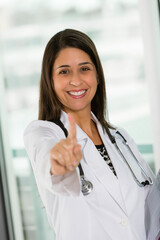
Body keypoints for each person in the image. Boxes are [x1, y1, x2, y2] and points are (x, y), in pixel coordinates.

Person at [23, 29, 155, 240]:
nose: (76, 81)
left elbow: (149, 205)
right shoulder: (44, 132)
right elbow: (46, 153)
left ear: (97, 76)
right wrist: (58, 162)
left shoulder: (120, 138)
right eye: (64, 72)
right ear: (50, 81)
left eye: (84, 68)